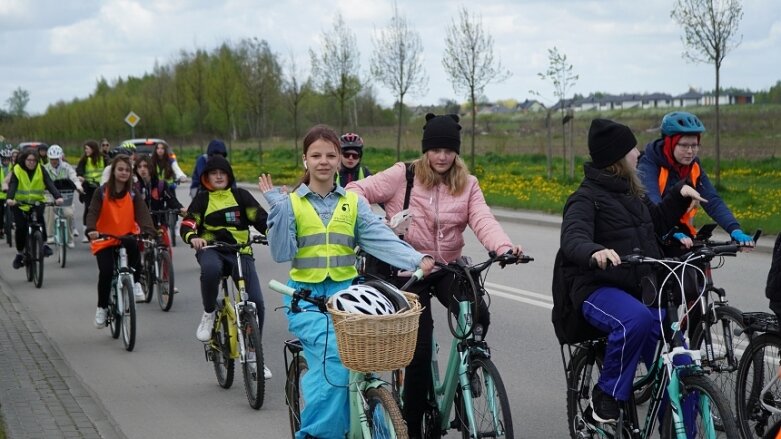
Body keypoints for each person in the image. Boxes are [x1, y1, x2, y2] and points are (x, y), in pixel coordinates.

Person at [344, 113, 521, 437]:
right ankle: (411, 427)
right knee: (420, 351)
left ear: (456, 152)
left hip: (446, 267)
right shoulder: (403, 175)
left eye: (448, 150)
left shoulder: (467, 184)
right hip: (407, 268)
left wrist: (503, 248)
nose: (442, 156)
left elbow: (482, 219)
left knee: (477, 311)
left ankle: (466, 372)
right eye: (436, 149)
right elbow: (355, 189)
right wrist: (379, 225)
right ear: (426, 150)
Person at [260, 124, 434, 439]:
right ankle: (314, 434)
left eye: (330, 155)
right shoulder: (293, 204)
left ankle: (364, 421)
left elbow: (380, 237)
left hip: (346, 299)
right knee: (333, 358)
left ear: (340, 160)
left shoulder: (352, 204)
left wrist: (415, 259)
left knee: (360, 359)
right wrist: (279, 211)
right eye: (316, 155)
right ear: (305, 160)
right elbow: (281, 253)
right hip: (306, 300)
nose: (323, 161)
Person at [551, 118, 706, 423]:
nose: (639, 153)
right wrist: (595, 252)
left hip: (640, 290)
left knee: (683, 363)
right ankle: (606, 395)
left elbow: (657, 223)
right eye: (633, 149)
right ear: (617, 158)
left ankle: (679, 429)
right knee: (635, 318)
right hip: (597, 288)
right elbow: (573, 239)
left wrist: (678, 195)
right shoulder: (585, 199)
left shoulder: (632, 193)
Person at [179, 155, 272, 377]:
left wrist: (271, 232)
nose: (219, 176)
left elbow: (260, 218)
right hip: (212, 250)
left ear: (229, 175)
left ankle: (252, 354)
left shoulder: (241, 196)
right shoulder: (202, 200)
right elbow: (189, 222)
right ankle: (209, 313)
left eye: (223, 172)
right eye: (214, 173)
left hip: (241, 251)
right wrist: (193, 237)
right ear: (207, 177)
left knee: (256, 302)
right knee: (210, 270)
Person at [638, 111, 754, 248]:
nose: (690, 151)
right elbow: (653, 201)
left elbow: (712, 200)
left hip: (682, 233)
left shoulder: (694, 166)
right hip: (653, 233)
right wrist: (669, 230)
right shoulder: (649, 164)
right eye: (684, 145)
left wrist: (734, 229)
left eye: (694, 145)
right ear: (669, 143)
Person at [86, 154, 155, 328]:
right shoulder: (101, 192)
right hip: (104, 238)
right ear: (113, 171)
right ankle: (102, 307)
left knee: (135, 253)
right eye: (120, 169)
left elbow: (142, 212)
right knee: (107, 271)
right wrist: (91, 229)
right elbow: (93, 212)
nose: (124, 173)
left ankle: (136, 282)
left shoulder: (133, 193)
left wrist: (148, 230)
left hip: (126, 236)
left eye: (127, 170)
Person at [5, 149, 64, 269]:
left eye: (34, 160)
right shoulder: (17, 169)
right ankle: (20, 254)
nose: (32, 163)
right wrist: (10, 198)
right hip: (19, 204)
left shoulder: (41, 169)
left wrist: (57, 197)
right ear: (24, 160)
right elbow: (13, 185)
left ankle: (44, 244)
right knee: (20, 228)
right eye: (29, 160)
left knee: (40, 220)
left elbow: (49, 183)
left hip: (37, 202)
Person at [134, 156, 184, 250]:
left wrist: (181, 209)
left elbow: (171, 200)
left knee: (165, 250)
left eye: (145, 166)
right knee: (137, 252)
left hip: (159, 223)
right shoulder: (134, 187)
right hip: (140, 226)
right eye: (139, 167)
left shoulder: (161, 185)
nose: (142, 169)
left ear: (151, 168)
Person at [43, 145, 83, 248]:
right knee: (49, 210)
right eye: (52, 159)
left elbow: (74, 178)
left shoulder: (66, 167)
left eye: (56, 159)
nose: (54, 161)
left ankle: (70, 239)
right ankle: (50, 235)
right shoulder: (45, 168)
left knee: (69, 214)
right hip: (50, 194)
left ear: (60, 157)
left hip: (65, 195)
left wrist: (78, 187)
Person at [76, 140, 106, 242]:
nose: (85, 151)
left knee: (103, 209)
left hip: (101, 187)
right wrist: (80, 176)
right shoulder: (84, 159)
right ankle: (86, 232)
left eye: (87, 148)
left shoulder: (103, 158)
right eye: (85, 149)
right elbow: (79, 170)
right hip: (88, 188)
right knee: (88, 208)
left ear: (93, 149)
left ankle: (101, 230)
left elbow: (109, 168)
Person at [0, 146, 13, 238]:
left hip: (10, 193)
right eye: (4, 160)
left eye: (8, 160)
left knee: (13, 209)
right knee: (0, 212)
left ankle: (12, 222)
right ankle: (0, 229)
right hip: (0, 194)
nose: (6, 162)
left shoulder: (13, 168)